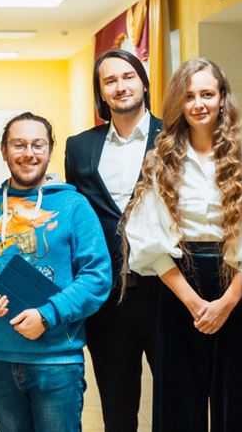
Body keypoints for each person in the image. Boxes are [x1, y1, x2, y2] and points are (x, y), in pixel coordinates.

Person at [121, 57, 242, 432]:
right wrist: (195, 303)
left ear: (223, 97)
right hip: (180, 288)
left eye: (207, 94)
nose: (198, 104)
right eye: (189, 96)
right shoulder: (162, 159)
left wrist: (227, 302)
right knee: (179, 404)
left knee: (236, 400)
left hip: (237, 285)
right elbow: (148, 239)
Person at [0, 112, 112, 432]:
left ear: (50, 150)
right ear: (4, 151)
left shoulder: (74, 205)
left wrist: (47, 315)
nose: (29, 153)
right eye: (18, 144)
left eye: (38, 145)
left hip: (56, 360)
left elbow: (97, 276)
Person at [64, 49, 162, 432]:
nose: (120, 86)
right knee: (117, 409)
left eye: (128, 76)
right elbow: (77, 218)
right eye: (110, 80)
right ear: (101, 92)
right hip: (106, 299)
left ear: (144, 83)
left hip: (168, 292)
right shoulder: (79, 147)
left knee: (175, 402)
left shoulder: (174, 137)